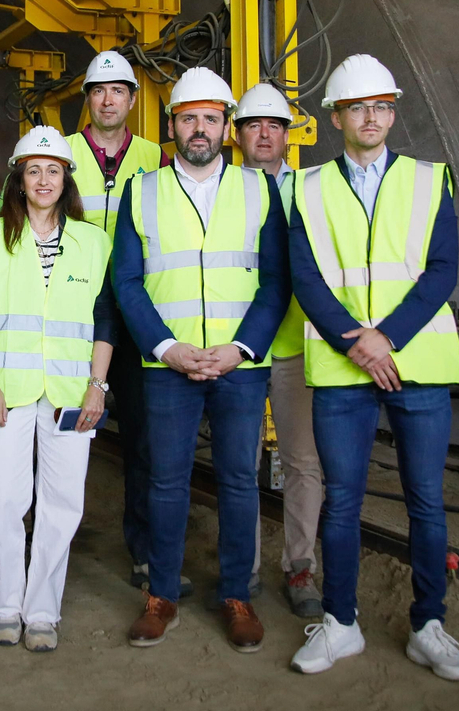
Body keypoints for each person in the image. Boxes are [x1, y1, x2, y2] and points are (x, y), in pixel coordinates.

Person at [285, 55, 459, 681]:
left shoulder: (429, 178)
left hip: (416, 361)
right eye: (360, 107)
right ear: (336, 116)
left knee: (426, 500)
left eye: (383, 106)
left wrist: (386, 338)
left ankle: (429, 625)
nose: (373, 118)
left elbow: (442, 270)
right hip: (343, 370)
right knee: (342, 502)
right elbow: (305, 276)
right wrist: (354, 342)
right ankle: (340, 624)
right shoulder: (304, 187)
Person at [111, 67, 289, 654]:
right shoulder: (143, 191)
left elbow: (274, 281)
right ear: (171, 126)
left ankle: (236, 595)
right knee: (166, 482)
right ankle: (161, 595)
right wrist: (168, 348)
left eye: (211, 118)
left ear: (225, 128)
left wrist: (240, 350)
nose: (200, 129)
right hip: (170, 367)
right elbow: (128, 282)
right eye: (188, 118)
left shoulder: (259, 191)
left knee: (239, 481)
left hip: (240, 367)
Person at [0, 127, 114, 653]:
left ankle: (42, 609)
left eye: (53, 169)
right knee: (0, 496)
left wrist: (97, 388)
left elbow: (103, 319)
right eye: (33, 170)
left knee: (62, 502)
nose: (44, 179)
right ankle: (6, 602)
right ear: (19, 180)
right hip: (6, 388)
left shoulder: (94, 243)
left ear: (65, 178)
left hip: (72, 393)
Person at [64, 50, 176, 593]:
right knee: (57, 435)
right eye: (98, 91)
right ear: (87, 99)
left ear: (133, 100)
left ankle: (145, 549)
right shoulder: (58, 155)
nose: (108, 100)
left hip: (134, 319)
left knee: (144, 440)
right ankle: (50, 545)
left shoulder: (155, 158)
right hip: (70, 317)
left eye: (118, 91)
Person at [232, 85, 324, 619]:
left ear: (287, 136)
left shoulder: (312, 189)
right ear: (238, 134)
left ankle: (300, 565)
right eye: (253, 125)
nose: (264, 134)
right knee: (239, 463)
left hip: (295, 347)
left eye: (274, 125)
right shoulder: (221, 189)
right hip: (241, 349)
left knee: (303, 462)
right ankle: (241, 566)